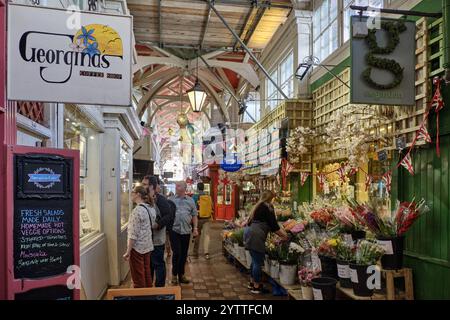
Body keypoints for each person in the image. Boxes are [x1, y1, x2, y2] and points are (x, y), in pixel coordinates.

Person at [244, 190, 288, 294]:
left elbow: (250, 221)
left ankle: (252, 283)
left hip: (249, 232)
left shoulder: (258, 206)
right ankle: (257, 286)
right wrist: (284, 235)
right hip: (257, 235)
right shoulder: (268, 207)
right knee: (257, 262)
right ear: (271, 198)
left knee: (254, 260)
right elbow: (274, 225)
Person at [142, 175, 175, 287]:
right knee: (148, 264)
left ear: (152, 186)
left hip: (156, 239)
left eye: (145, 184)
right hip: (146, 240)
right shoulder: (144, 199)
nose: (143, 186)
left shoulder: (161, 200)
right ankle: (149, 287)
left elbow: (168, 215)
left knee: (158, 263)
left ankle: (159, 288)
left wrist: (158, 224)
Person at [123, 186, 155, 288]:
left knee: (138, 277)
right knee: (146, 273)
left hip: (137, 249)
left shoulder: (137, 211)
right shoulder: (150, 208)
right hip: (147, 246)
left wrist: (128, 251)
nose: (131, 194)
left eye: (133, 192)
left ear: (138, 194)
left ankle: (140, 295)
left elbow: (133, 234)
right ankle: (149, 295)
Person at [169, 181, 198, 284]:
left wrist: (195, 228)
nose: (176, 187)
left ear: (184, 188)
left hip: (186, 230)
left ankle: (181, 275)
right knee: (177, 252)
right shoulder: (171, 200)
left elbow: (194, 215)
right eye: (176, 185)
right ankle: (173, 275)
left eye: (179, 185)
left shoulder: (190, 201)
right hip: (174, 230)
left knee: (183, 254)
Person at [191, 182, 213, 260]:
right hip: (207, 218)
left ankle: (195, 252)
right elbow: (212, 206)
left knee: (197, 234)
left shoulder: (195, 196)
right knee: (207, 235)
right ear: (203, 188)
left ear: (197, 188)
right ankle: (206, 253)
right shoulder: (208, 196)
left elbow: (192, 207)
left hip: (198, 218)